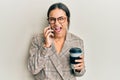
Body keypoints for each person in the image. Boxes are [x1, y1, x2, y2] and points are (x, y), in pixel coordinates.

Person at [28, 2, 86, 80]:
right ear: (49, 21)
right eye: (52, 19)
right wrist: (46, 45)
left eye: (61, 19)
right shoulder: (37, 40)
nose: (56, 23)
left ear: (67, 20)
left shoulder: (77, 41)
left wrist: (79, 69)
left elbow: (79, 72)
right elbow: (33, 69)